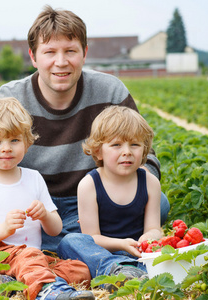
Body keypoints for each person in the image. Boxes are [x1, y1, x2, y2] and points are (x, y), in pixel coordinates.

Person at [0, 4, 169, 253]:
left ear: (84, 53)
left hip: (92, 202)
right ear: (33, 56)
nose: (61, 62)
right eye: (49, 52)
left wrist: (124, 198)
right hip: (30, 207)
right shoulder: (9, 98)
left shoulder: (110, 91)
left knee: (161, 204)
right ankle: (77, 244)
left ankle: (59, 244)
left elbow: (145, 156)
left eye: (70, 51)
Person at [0, 97, 94, 300]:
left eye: (14, 140)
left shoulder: (33, 178)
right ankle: (51, 292)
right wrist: (4, 230)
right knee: (29, 258)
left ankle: (13, 283)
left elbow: (55, 229)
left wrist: (45, 215)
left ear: (27, 143)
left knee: (79, 269)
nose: (6, 148)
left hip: (32, 257)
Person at [58, 106, 163, 290]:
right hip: (102, 251)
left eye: (135, 145)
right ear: (98, 151)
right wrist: (121, 244)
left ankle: (130, 270)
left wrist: (147, 239)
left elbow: (154, 228)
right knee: (70, 242)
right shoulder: (89, 184)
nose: (127, 151)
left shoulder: (150, 182)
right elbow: (92, 237)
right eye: (116, 145)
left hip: (137, 252)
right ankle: (116, 270)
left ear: (144, 150)